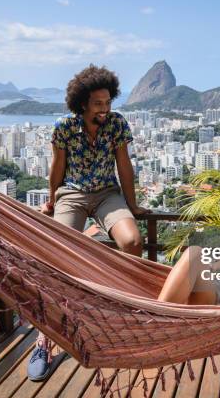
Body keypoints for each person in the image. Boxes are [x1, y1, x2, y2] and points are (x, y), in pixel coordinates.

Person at [28, 64, 148, 381]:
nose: (105, 109)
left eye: (108, 102)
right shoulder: (64, 127)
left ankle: (120, 309)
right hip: (72, 193)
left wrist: (133, 205)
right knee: (58, 255)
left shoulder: (117, 125)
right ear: (83, 103)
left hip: (108, 193)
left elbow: (124, 166)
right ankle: (44, 339)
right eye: (98, 103)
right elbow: (57, 166)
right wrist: (52, 200)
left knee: (133, 242)